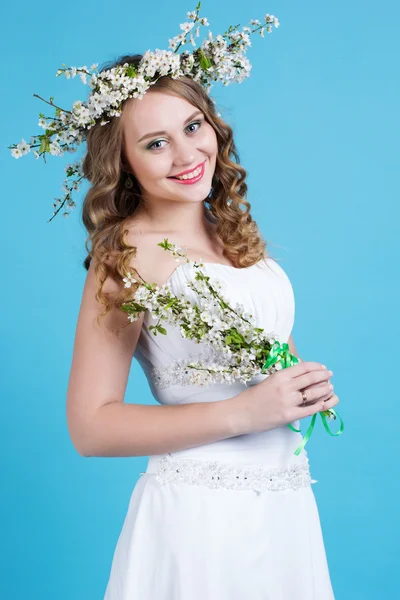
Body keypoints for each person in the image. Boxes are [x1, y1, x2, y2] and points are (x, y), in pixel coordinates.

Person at [64, 50, 340, 599]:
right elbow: (90, 428)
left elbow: (260, 351)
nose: (187, 153)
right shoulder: (125, 258)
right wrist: (245, 412)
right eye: (155, 143)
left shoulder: (229, 231)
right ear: (124, 161)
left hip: (284, 502)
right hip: (201, 518)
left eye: (193, 127)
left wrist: (301, 386)